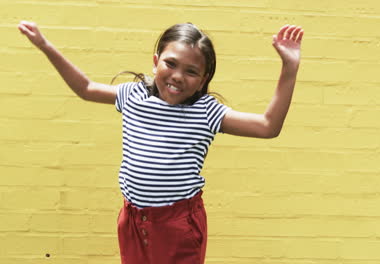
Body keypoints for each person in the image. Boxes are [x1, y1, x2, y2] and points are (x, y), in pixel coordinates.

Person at [18, 20, 304, 264]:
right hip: (133, 218)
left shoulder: (205, 111)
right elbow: (86, 88)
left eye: (191, 71)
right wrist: (45, 45)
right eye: (171, 63)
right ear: (156, 61)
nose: (178, 76)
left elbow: (268, 126)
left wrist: (289, 68)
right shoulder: (133, 96)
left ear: (203, 79)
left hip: (178, 225)